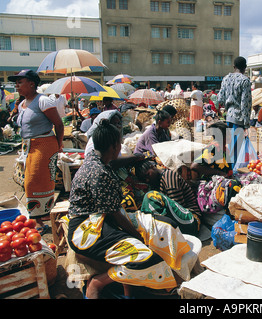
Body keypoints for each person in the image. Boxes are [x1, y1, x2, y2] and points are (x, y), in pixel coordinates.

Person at [67, 118, 192, 299]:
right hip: (86, 230)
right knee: (145, 257)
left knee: (164, 225)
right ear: (113, 147)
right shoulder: (99, 173)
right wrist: (135, 235)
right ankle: (98, 283)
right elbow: (115, 215)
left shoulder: (97, 159)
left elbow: (115, 166)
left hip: (101, 219)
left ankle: (159, 281)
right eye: (119, 143)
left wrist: (136, 157)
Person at [8, 69, 64, 234]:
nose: (17, 85)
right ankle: (38, 218)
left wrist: (58, 145)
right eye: (16, 83)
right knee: (29, 182)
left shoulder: (43, 101)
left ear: (32, 84)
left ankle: (39, 219)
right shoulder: (23, 103)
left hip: (44, 144)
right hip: (28, 146)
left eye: (20, 82)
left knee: (36, 181)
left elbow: (59, 124)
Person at [135, 159, 201, 236]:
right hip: (181, 221)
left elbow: (178, 206)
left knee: (150, 196)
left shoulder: (169, 177)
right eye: (144, 179)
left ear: (152, 167)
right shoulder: (157, 182)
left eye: (148, 175)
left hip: (191, 221)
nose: (147, 180)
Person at [217, 56, 252, 169]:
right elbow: (245, 104)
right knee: (235, 149)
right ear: (245, 68)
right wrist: (246, 124)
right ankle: (231, 172)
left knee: (228, 145)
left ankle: (227, 169)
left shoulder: (226, 79)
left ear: (234, 66)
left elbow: (220, 99)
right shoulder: (245, 80)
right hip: (239, 119)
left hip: (228, 118)